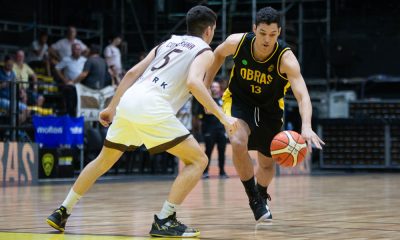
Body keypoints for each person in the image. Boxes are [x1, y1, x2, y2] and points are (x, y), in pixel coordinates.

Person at [46, 5, 238, 238]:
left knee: (102, 161)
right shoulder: (204, 50)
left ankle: (62, 210)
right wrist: (223, 116)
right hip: (153, 106)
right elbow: (194, 83)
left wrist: (111, 107)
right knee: (198, 160)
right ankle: (165, 219)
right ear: (210, 30)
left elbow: (131, 73)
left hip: (130, 100)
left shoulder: (167, 43)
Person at [204, 6, 324, 222]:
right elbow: (217, 54)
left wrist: (306, 125)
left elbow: (303, 95)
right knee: (238, 141)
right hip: (239, 101)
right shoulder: (237, 42)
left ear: (279, 33)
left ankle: (261, 192)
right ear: (254, 29)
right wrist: (205, 86)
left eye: (273, 34)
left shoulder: (286, 59)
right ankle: (254, 200)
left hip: (270, 110)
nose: (267, 40)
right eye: (262, 33)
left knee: (267, 164)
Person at [199, 81, 228, 179]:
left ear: (220, 89)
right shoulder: (207, 99)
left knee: (222, 151)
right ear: (210, 89)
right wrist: (220, 110)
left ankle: (222, 172)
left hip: (221, 130)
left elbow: (226, 112)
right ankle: (205, 172)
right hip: (209, 129)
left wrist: (216, 110)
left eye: (216, 87)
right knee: (208, 151)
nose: (214, 88)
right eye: (213, 87)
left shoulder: (223, 100)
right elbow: (207, 111)